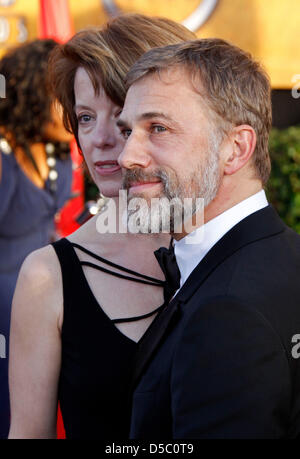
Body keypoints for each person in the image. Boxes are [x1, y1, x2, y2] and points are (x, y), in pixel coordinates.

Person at [8, 15, 196, 439]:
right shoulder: (47, 276)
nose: (101, 138)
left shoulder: (238, 244)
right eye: (86, 117)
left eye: (124, 114)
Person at [118, 38, 300, 439]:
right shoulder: (286, 256)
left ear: (235, 149)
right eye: (128, 130)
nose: (126, 155)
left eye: (158, 128)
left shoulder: (227, 312)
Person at [0, 39, 73, 439]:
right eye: (59, 98)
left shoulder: (58, 152)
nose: (71, 111)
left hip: (44, 305)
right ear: (30, 95)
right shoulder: (4, 155)